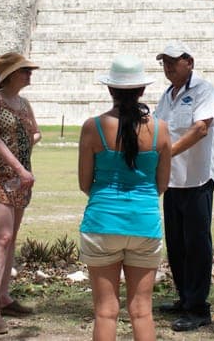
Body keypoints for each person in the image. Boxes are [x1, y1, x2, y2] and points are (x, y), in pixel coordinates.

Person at [79, 55, 171, 341]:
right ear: (142, 90)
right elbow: (162, 184)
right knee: (142, 312)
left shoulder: (93, 127)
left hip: (102, 223)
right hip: (144, 223)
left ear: (110, 89)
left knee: (105, 312)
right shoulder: (160, 129)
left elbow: (84, 183)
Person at [152, 41, 214, 332]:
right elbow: (156, 129)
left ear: (189, 62)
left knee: (197, 244)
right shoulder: (167, 95)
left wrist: (168, 154)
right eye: (164, 62)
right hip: (172, 181)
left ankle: (198, 307)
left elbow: (200, 128)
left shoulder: (204, 90)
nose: (168, 67)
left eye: (173, 61)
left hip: (197, 179)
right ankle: (184, 298)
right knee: (177, 244)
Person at [0, 52, 42, 334]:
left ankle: (4, 296)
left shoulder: (24, 103)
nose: (29, 74)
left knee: (11, 237)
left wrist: (25, 143)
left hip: (21, 180)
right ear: (11, 74)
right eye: (24, 70)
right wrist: (19, 166)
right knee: (2, 238)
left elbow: (36, 133)